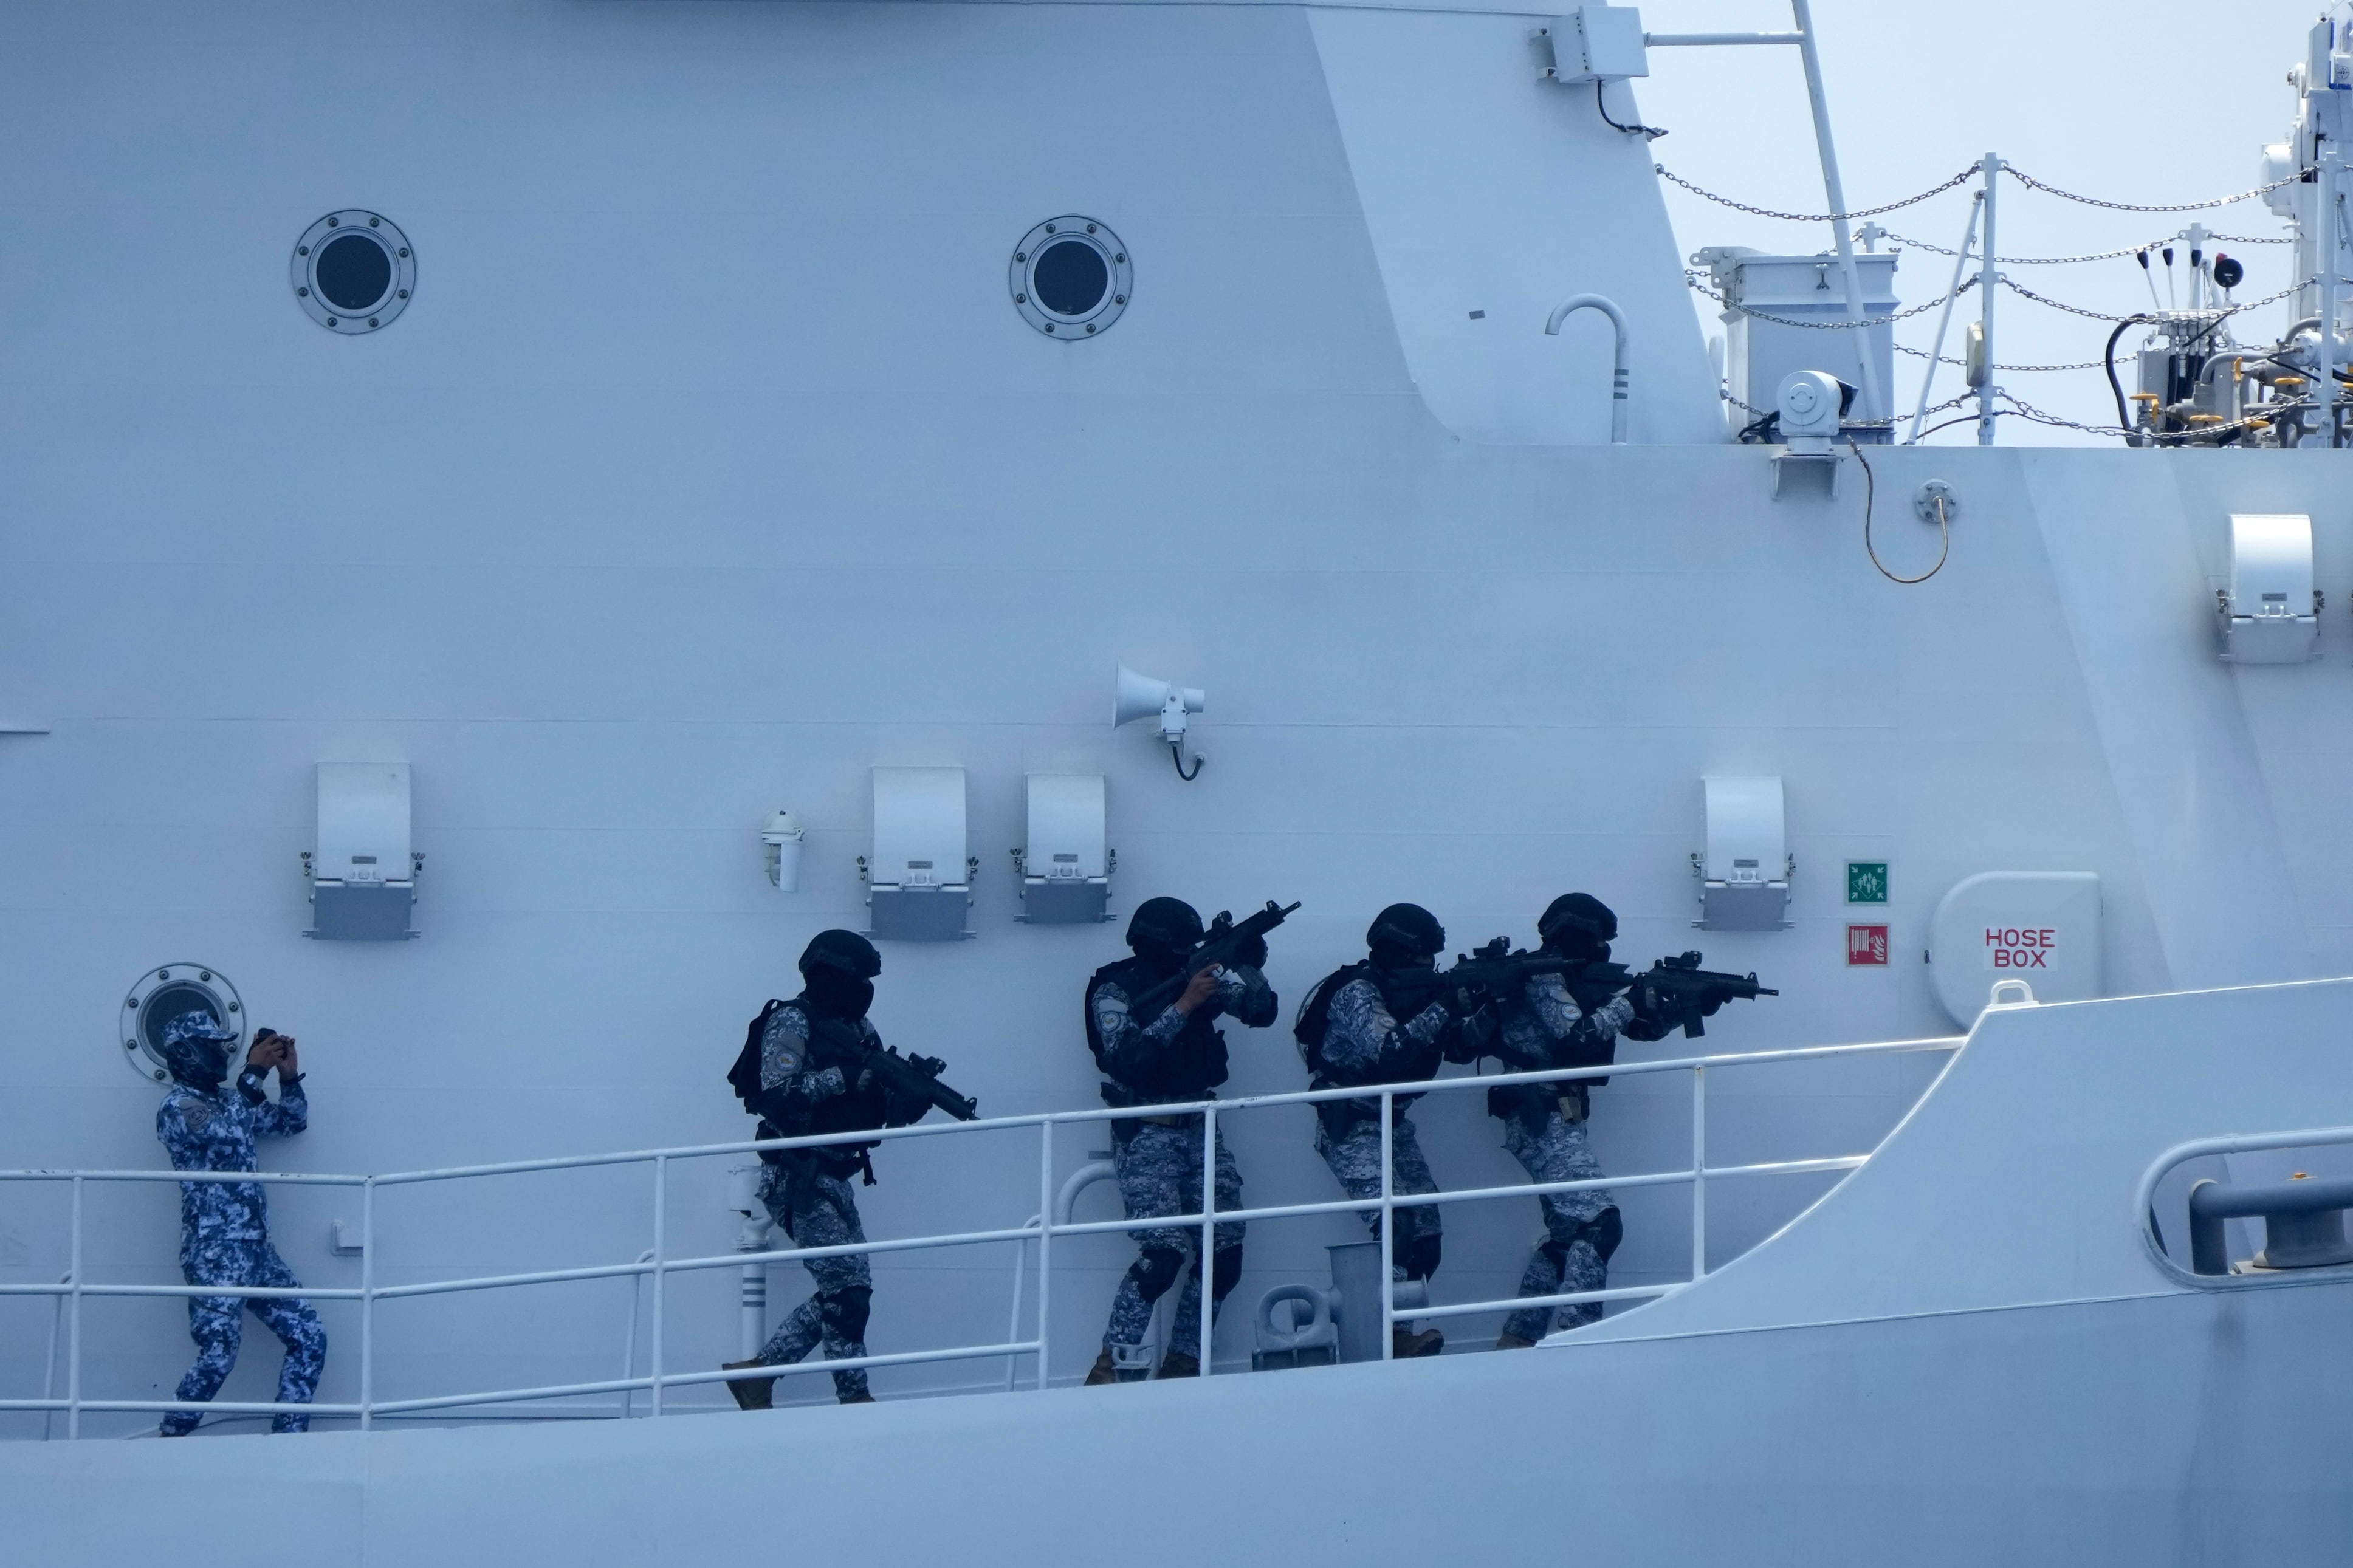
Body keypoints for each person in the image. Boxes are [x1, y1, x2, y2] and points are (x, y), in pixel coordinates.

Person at [721, 930, 932, 1408]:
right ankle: (853, 1398)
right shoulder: (791, 1021)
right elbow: (777, 1092)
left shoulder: (859, 1027)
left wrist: (909, 1096)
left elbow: (874, 1102)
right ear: (832, 975)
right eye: (859, 979)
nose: (865, 990)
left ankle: (758, 1374)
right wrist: (843, 1078)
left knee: (850, 1291)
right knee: (847, 1293)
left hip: (836, 1175)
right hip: (796, 1174)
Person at [1083, 896, 1279, 1383]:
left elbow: (1260, 1010)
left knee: (1225, 1251)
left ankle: (1185, 1360)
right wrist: (1186, 1002)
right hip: (1148, 1130)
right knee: (1162, 1255)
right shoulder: (1114, 986)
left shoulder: (1201, 976)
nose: (1186, 952)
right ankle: (1113, 1366)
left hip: (1200, 1126)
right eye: (1181, 945)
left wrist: (1248, 966)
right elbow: (1127, 1058)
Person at [1293, 903, 1479, 1359]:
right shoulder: (1357, 992)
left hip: (1393, 1124)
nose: (1430, 969)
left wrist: (1482, 1007)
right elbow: (1390, 1052)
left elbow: (1457, 1046)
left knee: (1427, 1233)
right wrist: (1444, 1004)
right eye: (1423, 960)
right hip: (1351, 1122)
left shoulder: (1411, 996)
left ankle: (1399, 1333)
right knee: (1396, 1223)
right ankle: (1381, 1335)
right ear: (1401, 952)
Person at [1482, 892, 1653, 1348]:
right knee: (1601, 1224)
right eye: (1598, 939)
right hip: (1540, 1116)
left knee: (1566, 1238)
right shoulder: (1542, 977)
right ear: (1580, 935)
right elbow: (1577, 1036)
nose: (1603, 949)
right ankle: (1579, 1335)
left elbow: (1627, 1024)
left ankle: (1518, 1339)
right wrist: (1631, 1000)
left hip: (1556, 1116)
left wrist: (1666, 1006)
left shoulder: (1567, 978)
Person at [153, 1016, 326, 1435]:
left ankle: (289, 1436)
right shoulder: (177, 1106)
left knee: (309, 1335)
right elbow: (224, 1131)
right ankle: (171, 1434)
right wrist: (255, 1071)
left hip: (256, 1250)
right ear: (187, 1051)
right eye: (214, 1045)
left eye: (227, 1046)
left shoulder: (234, 1101)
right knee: (219, 1352)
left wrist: (287, 1078)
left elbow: (290, 1122)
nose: (223, 1053)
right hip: (213, 1250)